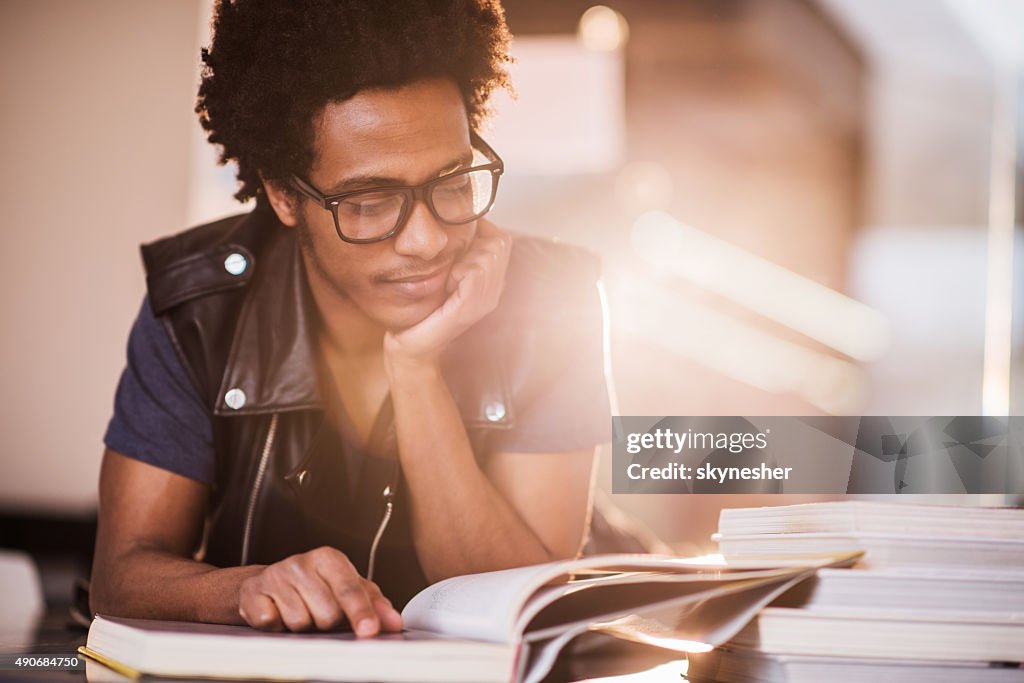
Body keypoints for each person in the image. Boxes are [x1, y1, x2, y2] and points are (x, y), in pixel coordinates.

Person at [89, 0, 612, 638]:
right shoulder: (198, 312)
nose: (426, 240)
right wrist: (242, 587)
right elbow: (120, 577)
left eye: (450, 183)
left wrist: (416, 367)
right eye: (368, 201)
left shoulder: (552, 304)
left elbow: (517, 603)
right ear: (284, 194)